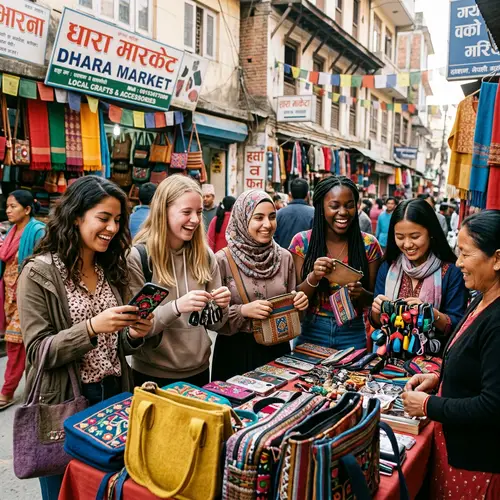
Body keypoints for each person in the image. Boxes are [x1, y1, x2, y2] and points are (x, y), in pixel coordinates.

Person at [17, 177, 152, 500]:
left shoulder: (111, 270)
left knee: (106, 491)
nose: (112, 228)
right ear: (76, 216)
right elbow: (39, 351)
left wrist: (134, 334)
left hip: (114, 398)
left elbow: (117, 344)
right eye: (103, 218)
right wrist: (91, 328)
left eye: (117, 220)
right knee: (65, 492)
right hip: (66, 402)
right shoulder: (39, 273)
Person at [402, 210, 500, 498]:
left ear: (497, 258)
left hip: (477, 464)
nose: (458, 263)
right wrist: (439, 379)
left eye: (465, 254)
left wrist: (429, 406)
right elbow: (475, 367)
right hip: (457, 451)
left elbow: (493, 406)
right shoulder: (482, 299)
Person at [129, 176, 231, 388]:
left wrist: (221, 306)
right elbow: (136, 327)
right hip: (151, 376)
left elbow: (215, 324)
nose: (195, 220)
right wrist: (176, 307)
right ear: (162, 212)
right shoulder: (139, 257)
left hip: (200, 372)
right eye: (186, 212)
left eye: (199, 212)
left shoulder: (205, 256)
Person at [212, 190, 308, 381]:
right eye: (258, 218)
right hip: (235, 353)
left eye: (272, 217)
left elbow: (295, 315)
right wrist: (243, 311)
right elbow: (212, 320)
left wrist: (299, 303)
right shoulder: (222, 260)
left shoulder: (284, 258)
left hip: (277, 351)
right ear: (242, 219)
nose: (267, 224)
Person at [290, 176, 383, 349]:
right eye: (334, 206)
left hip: (352, 331)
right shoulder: (302, 242)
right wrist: (314, 277)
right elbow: (295, 297)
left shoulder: (369, 245)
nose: (343, 212)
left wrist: (360, 293)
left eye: (349, 205)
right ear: (320, 207)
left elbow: (376, 299)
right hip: (311, 329)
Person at [371, 199, 468, 345]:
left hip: (431, 361)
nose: (407, 244)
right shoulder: (388, 267)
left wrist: (430, 313)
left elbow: (458, 325)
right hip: (388, 357)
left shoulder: (451, 272)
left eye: (415, 237)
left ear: (430, 233)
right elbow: (377, 322)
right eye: (400, 237)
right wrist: (377, 310)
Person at [0, 191, 45, 410]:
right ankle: (35, 387)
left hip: (26, 297)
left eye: (13, 206)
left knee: (15, 345)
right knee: (25, 346)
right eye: (7, 206)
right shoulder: (10, 232)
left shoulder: (37, 232)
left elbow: (43, 263)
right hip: (9, 296)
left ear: (27, 209)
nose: (8, 210)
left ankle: (7, 392)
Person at [274, 178, 314, 249]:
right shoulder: (314, 213)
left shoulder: (279, 214)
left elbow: (274, 238)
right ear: (307, 195)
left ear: (290, 195)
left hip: (283, 258)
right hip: (306, 258)